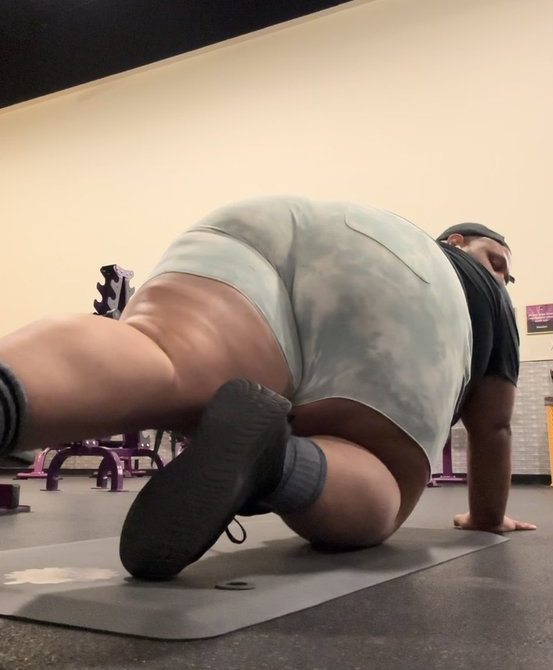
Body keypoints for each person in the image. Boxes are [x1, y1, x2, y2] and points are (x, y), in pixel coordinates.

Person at [0, 197, 535, 581]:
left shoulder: (390, 222)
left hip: (270, 224)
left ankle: (12, 391)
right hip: (415, 290)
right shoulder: (485, 293)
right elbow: (492, 427)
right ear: (455, 243)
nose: (502, 278)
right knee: (380, 475)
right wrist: (487, 519)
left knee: (159, 351)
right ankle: (276, 460)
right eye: (497, 262)